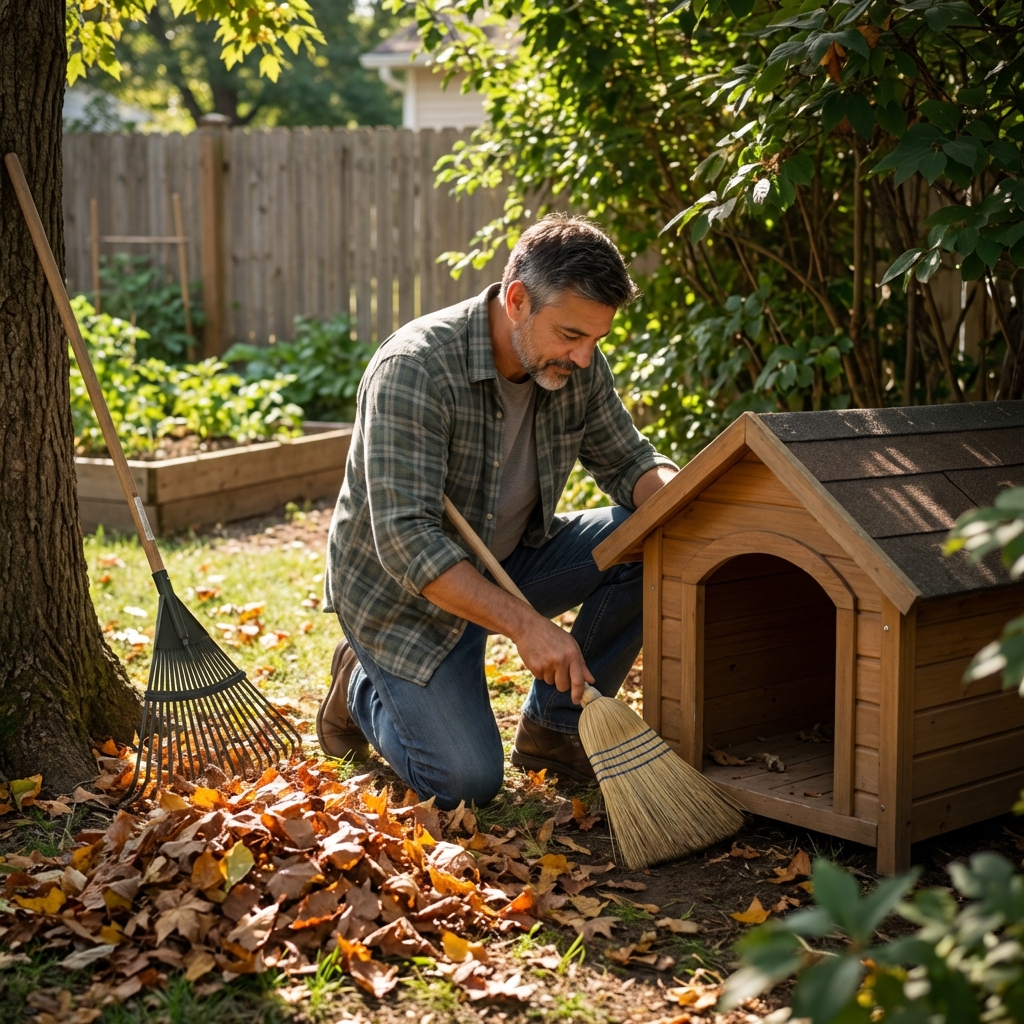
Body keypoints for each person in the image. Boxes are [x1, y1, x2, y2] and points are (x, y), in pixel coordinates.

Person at [318, 214, 678, 809]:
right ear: (516, 300)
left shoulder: (571, 363)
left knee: (654, 537)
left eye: (597, 340)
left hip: (509, 561)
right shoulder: (414, 368)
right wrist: (526, 625)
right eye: (571, 335)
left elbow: (629, 461)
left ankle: (556, 731)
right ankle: (357, 682)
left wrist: (679, 499)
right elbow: (408, 543)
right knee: (465, 783)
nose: (585, 358)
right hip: (406, 600)